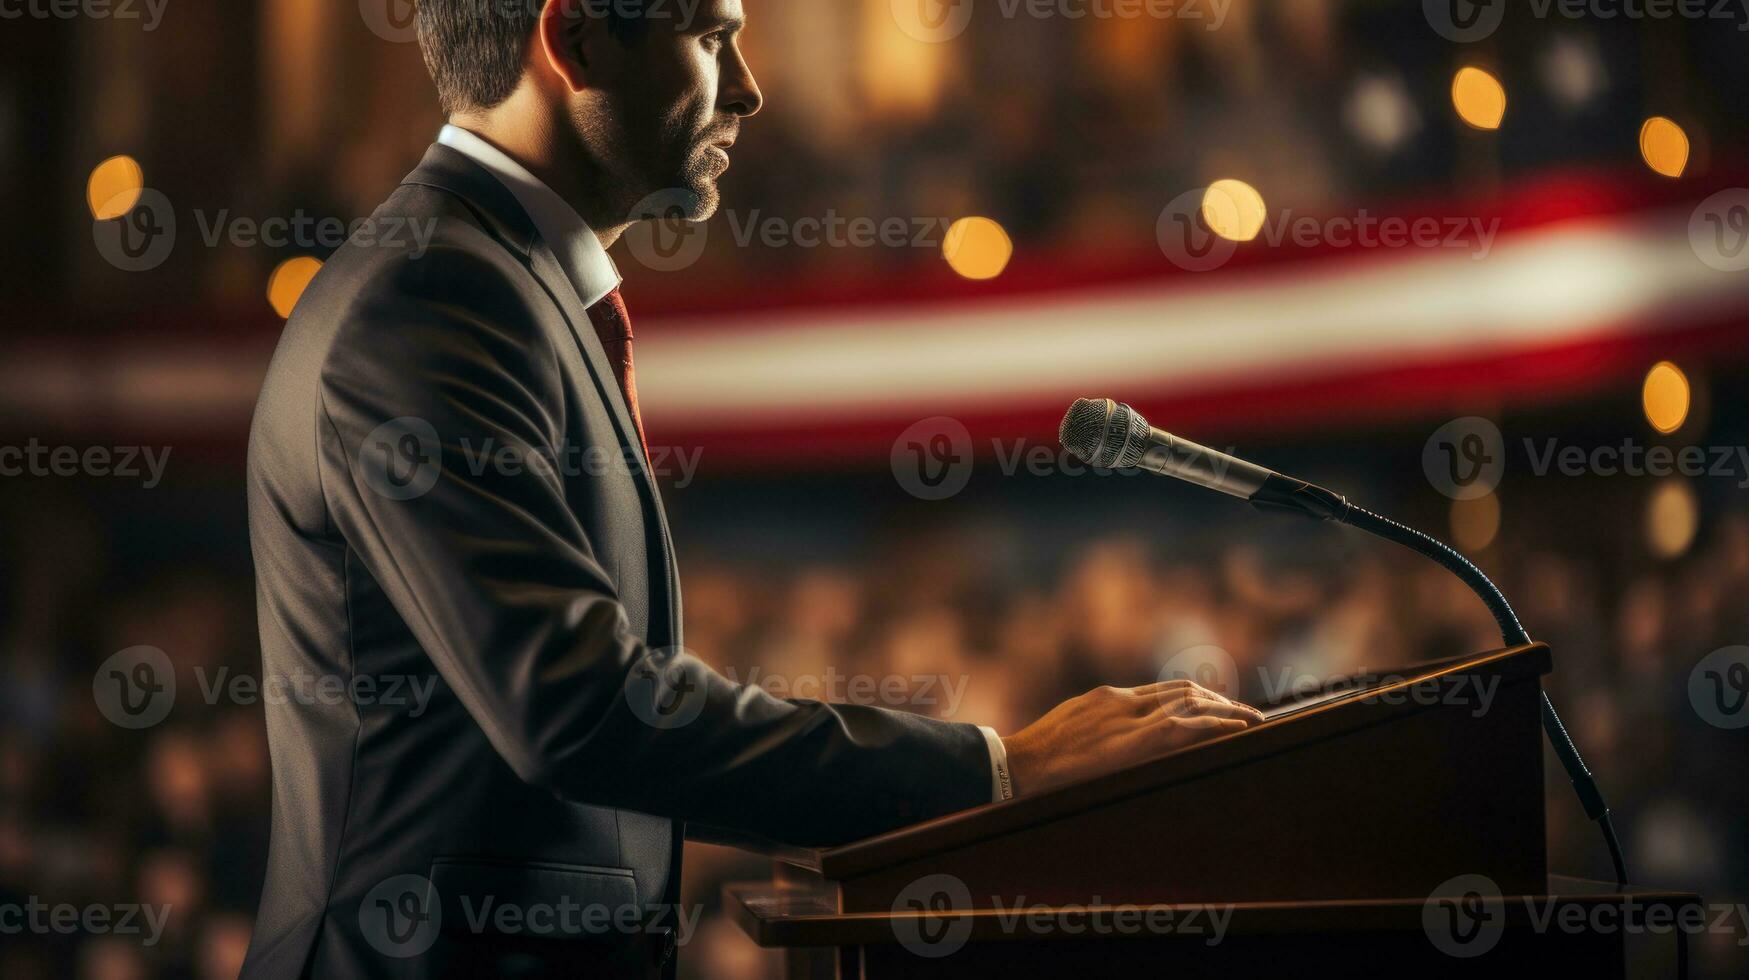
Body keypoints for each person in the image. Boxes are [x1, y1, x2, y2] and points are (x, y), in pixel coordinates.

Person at [240, 2, 1261, 975]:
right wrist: (998, 769)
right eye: (712, 37)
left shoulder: (500, 282)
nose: (751, 90)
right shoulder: (431, 296)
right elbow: (577, 705)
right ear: (578, 39)